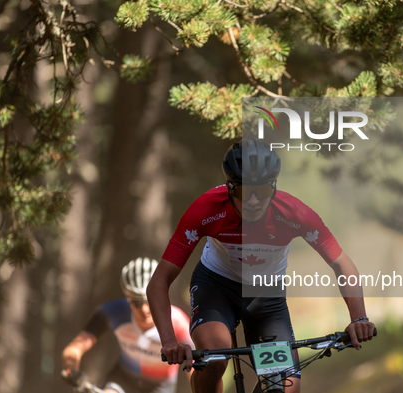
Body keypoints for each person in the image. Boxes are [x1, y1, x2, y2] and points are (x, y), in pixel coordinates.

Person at [147, 138, 375, 393]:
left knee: (283, 386)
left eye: (263, 191)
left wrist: (359, 318)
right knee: (215, 359)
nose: (254, 201)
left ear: (274, 187)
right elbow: (159, 282)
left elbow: (341, 263)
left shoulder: (294, 214)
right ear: (230, 188)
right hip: (216, 287)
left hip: (266, 296)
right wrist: (168, 340)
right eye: (244, 192)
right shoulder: (206, 208)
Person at [62, 257, 193, 393]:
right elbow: (74, 349)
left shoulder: (178, 322)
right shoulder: (114, 312)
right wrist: (71, 371)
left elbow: (196, 366)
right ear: (126, 297)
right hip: (123, 379)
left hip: (160, 387)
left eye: (150, 301)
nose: (144, 309)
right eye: (136, 302)